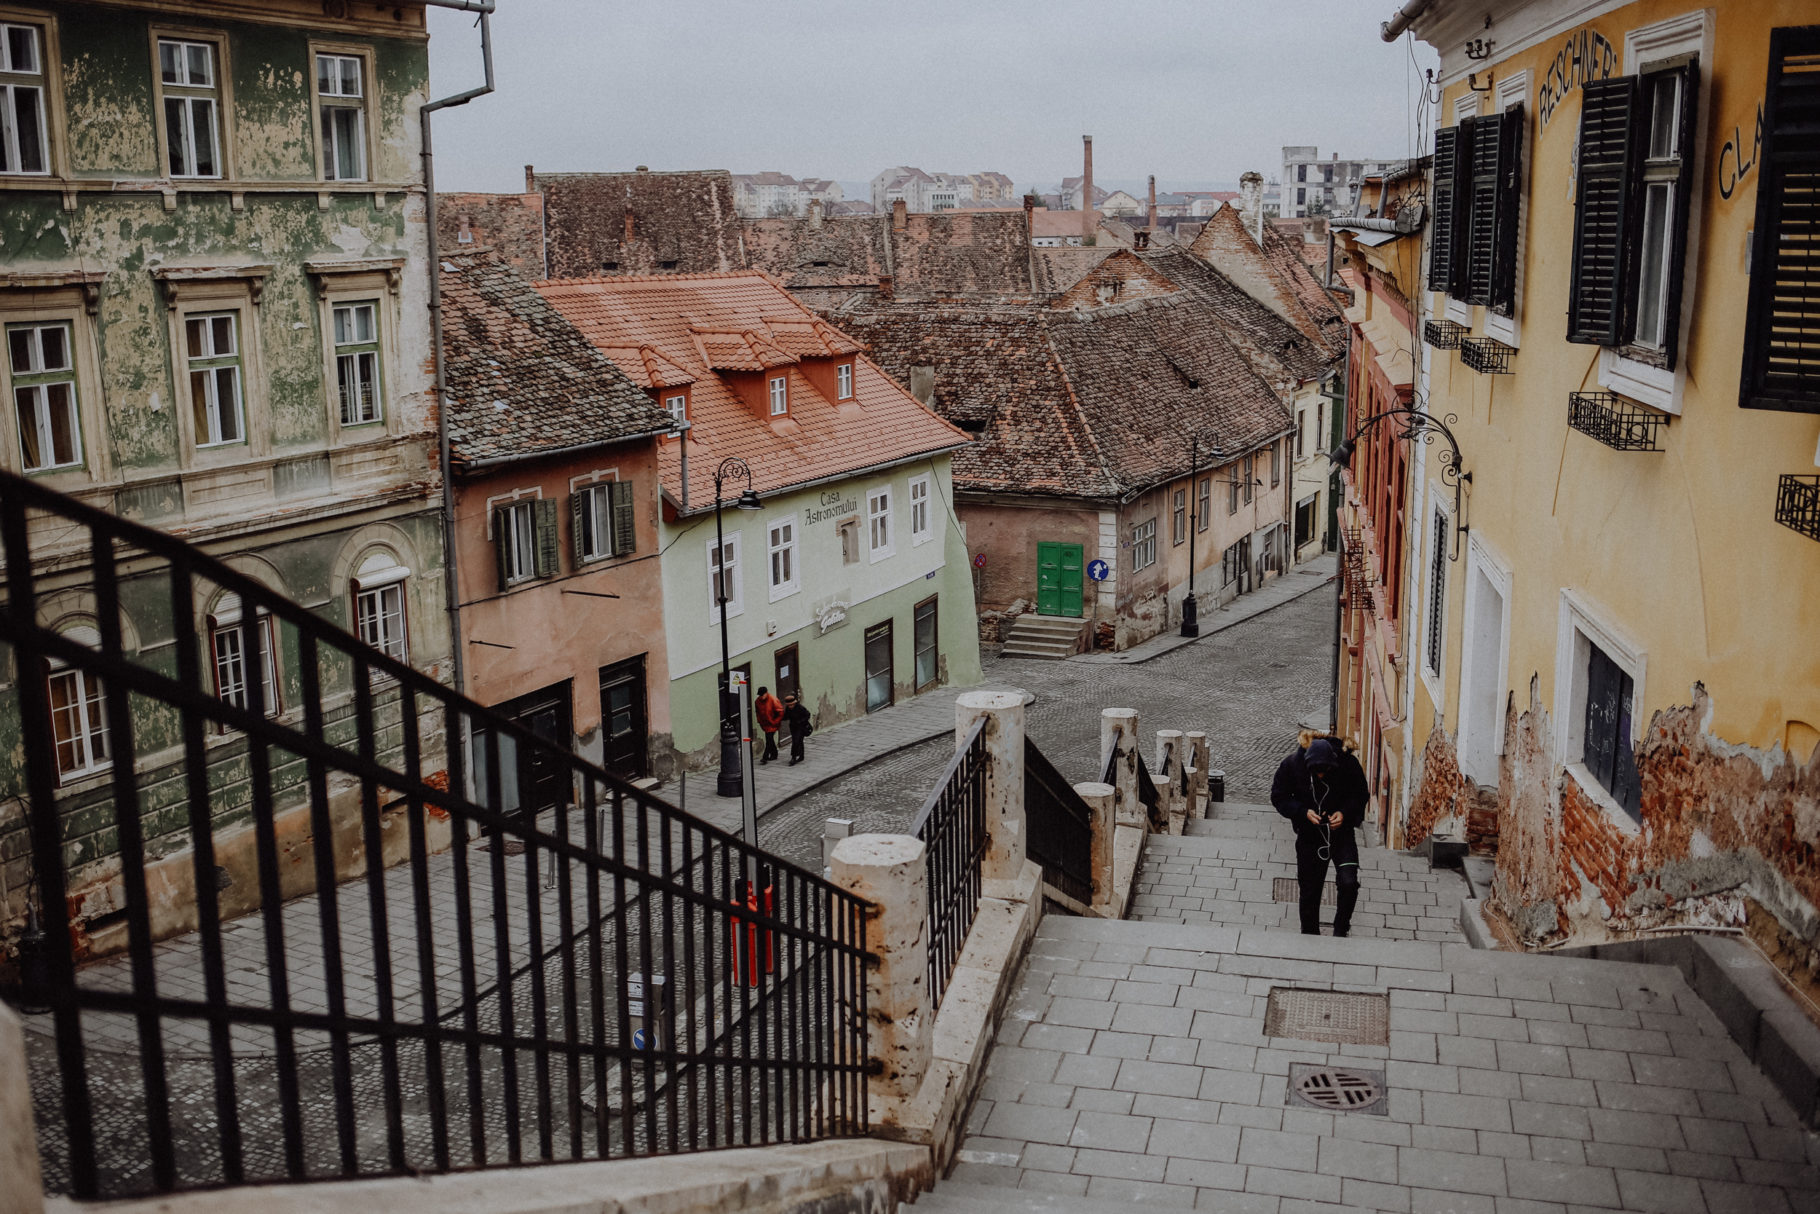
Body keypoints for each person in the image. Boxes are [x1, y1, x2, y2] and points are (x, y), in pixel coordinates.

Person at [1270, 732, 1369, 937]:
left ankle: (1341, 929)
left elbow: (1360, 795)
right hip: (1309, 835)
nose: (1321, 776)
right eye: (1317, 772)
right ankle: (1310, 934)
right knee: (1309, 890)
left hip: (1341, 834)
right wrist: (1302, 812)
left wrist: (1344, 813)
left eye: (1326, 771)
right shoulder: (1291, 765)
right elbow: (1278, 796)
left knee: (1349, 882)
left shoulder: (1348, 764)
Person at [754, 686, 784, 764]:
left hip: (773, 723)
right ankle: (774, 754)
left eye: (762, 695)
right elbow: (757, 712)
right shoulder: (757, 701)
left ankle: (765, 757)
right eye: (760, 695)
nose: (761, 697)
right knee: (770, 739)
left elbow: (780, 712)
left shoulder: (773, 700)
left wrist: (775, 722)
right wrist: (759, 721)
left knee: (768, 739)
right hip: (765, 724)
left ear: (766, 693)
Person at [782, 692, 813, 766]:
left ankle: (793, 758)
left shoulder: (800, 707)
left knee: (796, 741)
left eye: (791, 705)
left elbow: (808, 715)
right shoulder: (788, 708)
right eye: (789, 705)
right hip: (793, 727)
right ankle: (801, 756)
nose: (790, 706)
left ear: (794, 703)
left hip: (801, 727)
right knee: (799, 741)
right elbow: (786, 716)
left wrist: (800, 721)